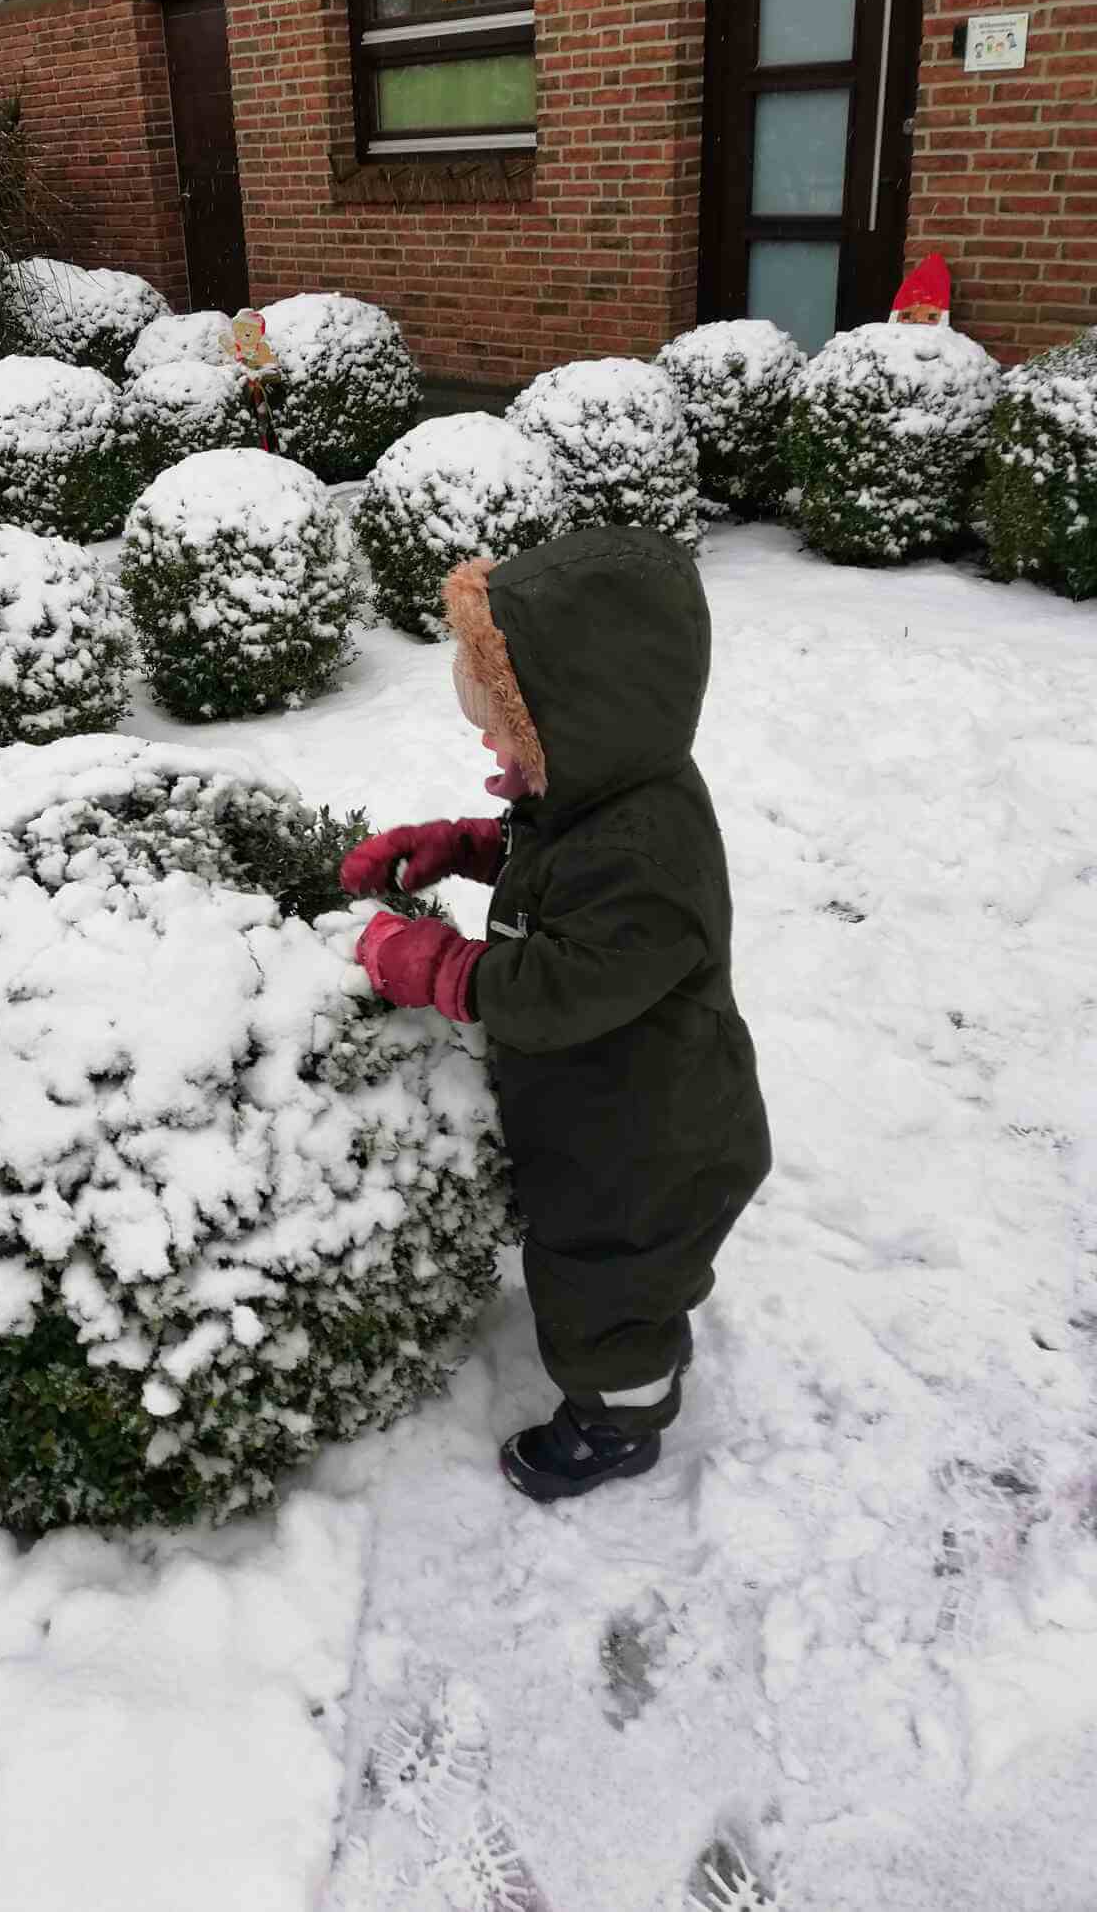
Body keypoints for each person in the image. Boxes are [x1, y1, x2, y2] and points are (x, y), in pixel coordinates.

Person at [341, 527, 771, 1502]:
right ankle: (641, 1333)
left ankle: (620, 1419)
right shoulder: (604, 795)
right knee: (613, 1275)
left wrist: (443, 966)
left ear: (578, 724)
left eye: (501, 730)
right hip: (607, 1113)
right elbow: (561, 871)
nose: (487, 746)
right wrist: (464, 845)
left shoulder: (645, 851)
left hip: (649, 1143)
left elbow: (561, 985)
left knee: (602, 1288)